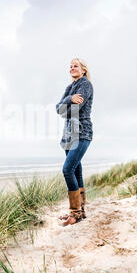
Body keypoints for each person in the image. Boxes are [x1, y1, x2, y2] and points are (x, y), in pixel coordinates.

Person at [55, 58, 94, 226]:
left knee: (67, 169)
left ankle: (75, 213)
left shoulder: (85, 85)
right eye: (70, 66)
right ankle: (80, 211)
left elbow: (74, 110)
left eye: (75, 66)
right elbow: (59, 109)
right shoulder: (69, 88)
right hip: (69, 134)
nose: (72, 68)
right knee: (76, 172)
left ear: (83, 69)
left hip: (82, 132)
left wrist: (67, 106)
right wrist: (70, 98)